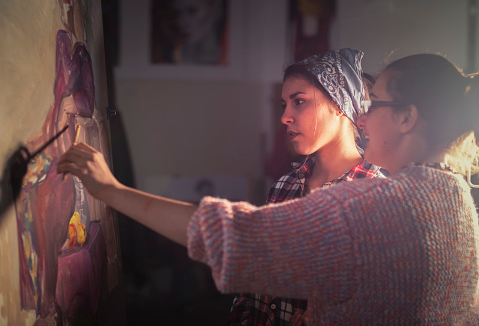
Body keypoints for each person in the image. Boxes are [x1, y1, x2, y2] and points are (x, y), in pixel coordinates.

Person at [57, 53, 479, 324]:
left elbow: (234, 238)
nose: (364, 120)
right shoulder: (456, 198)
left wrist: (109, 189)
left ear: (407, 118)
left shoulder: (376, 204)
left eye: (374, 106)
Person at [228, 50, 385, 326]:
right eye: (284, 105)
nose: (285, 117)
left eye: (299, 102)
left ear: (339, 105)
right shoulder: (284, 187)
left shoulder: (378, 193)